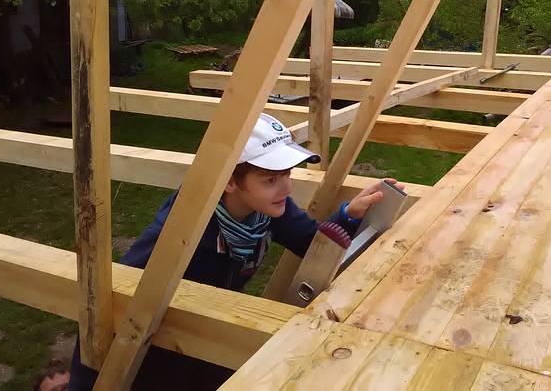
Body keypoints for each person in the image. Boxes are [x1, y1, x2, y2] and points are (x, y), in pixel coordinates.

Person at [69, 113, 399, 390]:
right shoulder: (177, 237)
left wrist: (348, 215)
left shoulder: (268, 209)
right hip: (159, 355)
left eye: (287, 174)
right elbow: (115, 305)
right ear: (229, 181)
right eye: (270, 179)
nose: (286, 188)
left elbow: (310, 243)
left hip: (212, 338)